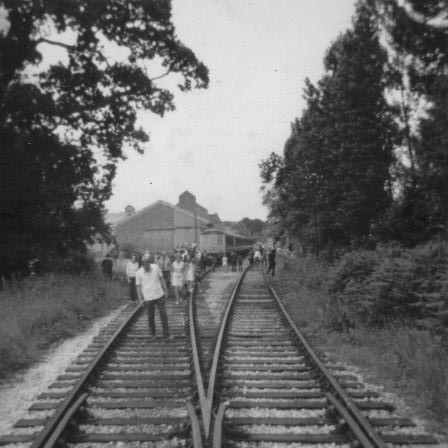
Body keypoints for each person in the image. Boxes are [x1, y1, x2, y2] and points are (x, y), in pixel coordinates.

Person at [136, 254, 172, 340]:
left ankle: (166, 335)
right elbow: (138, 287)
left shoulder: (155, 267)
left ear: (149, 263)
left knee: (163, 315)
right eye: (144, 265)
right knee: (150, 316)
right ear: (142, 265)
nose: (146, 267)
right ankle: (152, 334)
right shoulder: (138, 273)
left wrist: (166, 290)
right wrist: (140, 299)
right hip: (148, 298)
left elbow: (162, 278)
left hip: (159, 295)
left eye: (147, 265)